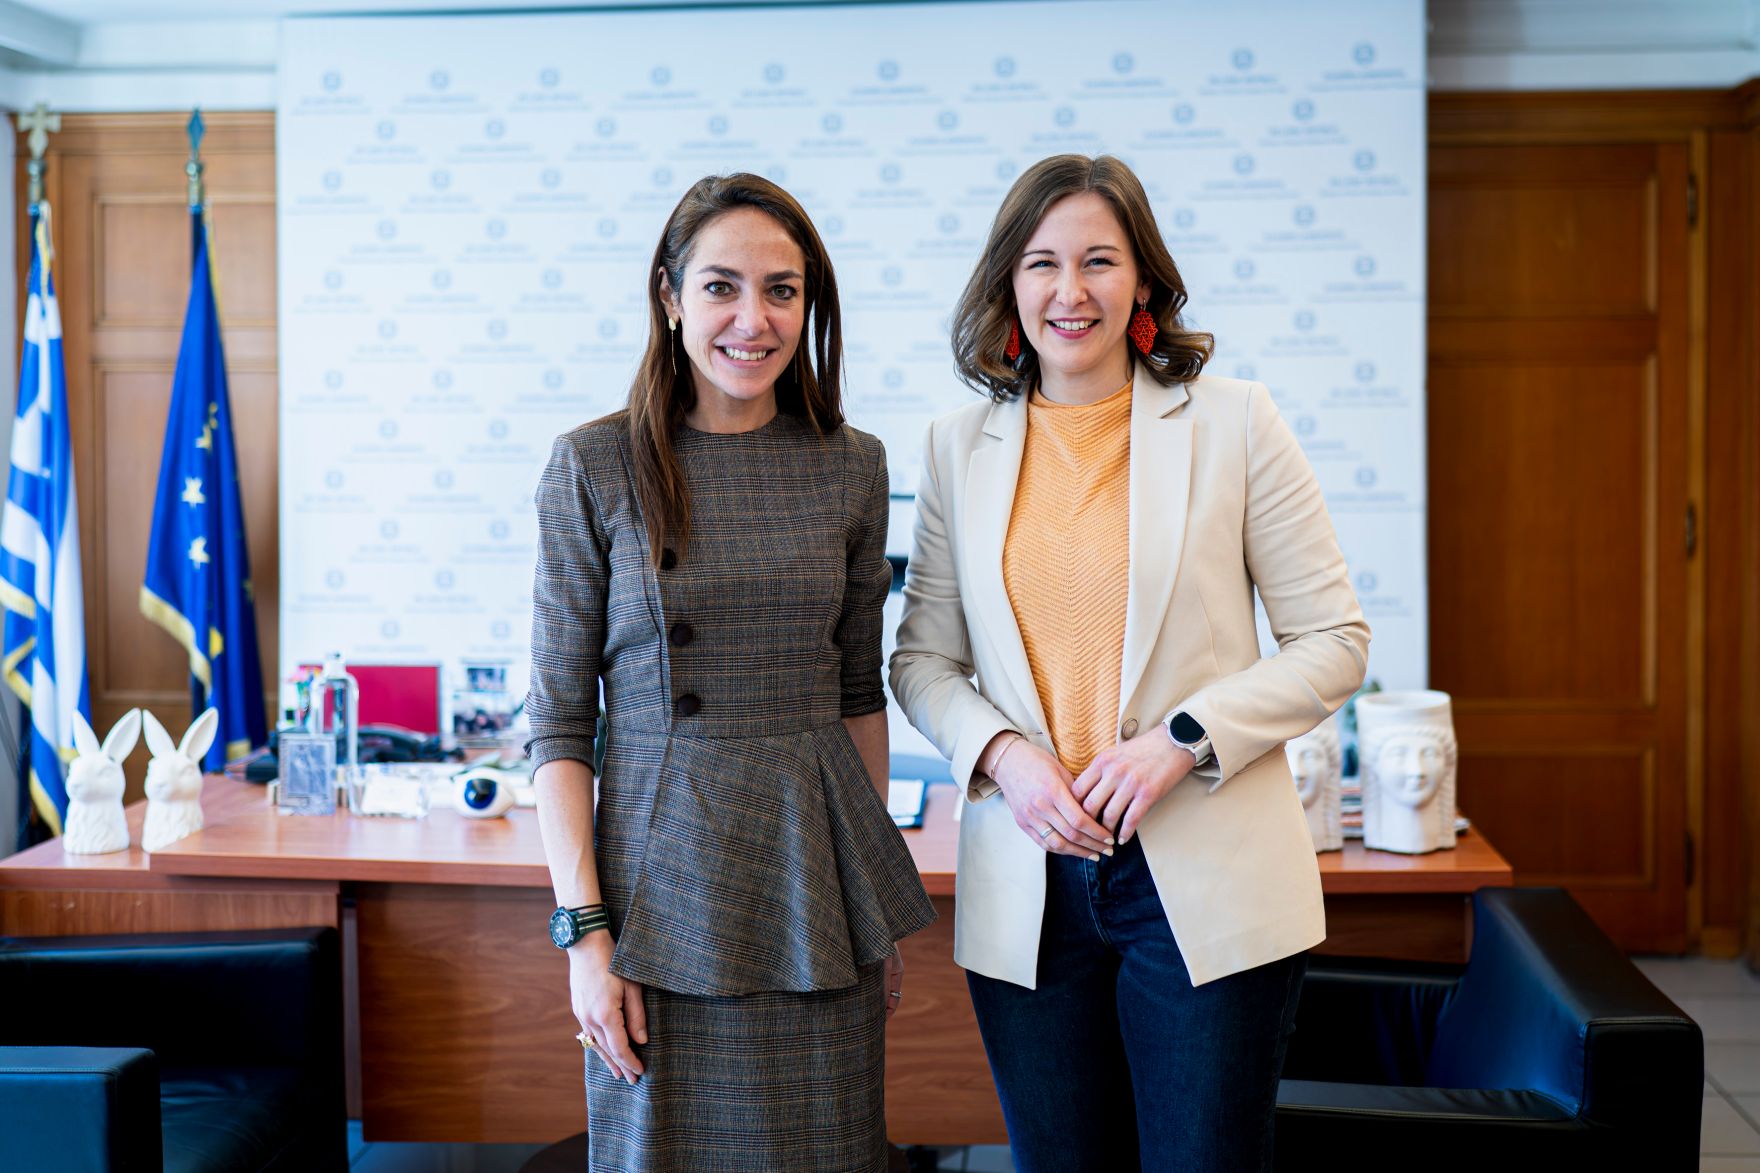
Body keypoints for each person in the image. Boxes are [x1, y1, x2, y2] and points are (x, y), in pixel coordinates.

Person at [889, 153, 1370, 1172]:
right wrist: (1009, 759)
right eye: (1041, 264)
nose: (1070, 293)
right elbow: (922, 661)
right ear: (1007, 285)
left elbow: (1334, 641)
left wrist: (1180, 743)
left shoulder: (1233, 423)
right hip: (1030, 880)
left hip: (1200, 876)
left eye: (1099, 261)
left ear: (1142, 279)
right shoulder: (953, 444)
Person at [528, 172, 936, 1173]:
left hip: (815, 875)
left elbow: (855, 695)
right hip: (656, 886)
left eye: (782, 291)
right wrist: (585, 939)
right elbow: (556, 724)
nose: (752, 320)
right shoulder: (593, 465)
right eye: (720, 287)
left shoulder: (851, 465)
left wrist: (867, 905)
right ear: (668, 297)